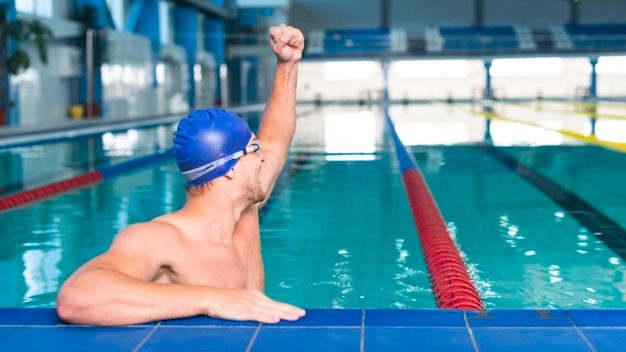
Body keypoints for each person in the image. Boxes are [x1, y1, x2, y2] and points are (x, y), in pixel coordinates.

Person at [56, 24, 306, 326]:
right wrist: (213, 299)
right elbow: (78, 298)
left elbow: (277, 140)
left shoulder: (245, 211)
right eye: (254, 149)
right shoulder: (160, 239)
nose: (263, 155)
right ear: (229, 169)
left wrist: (288, 64)